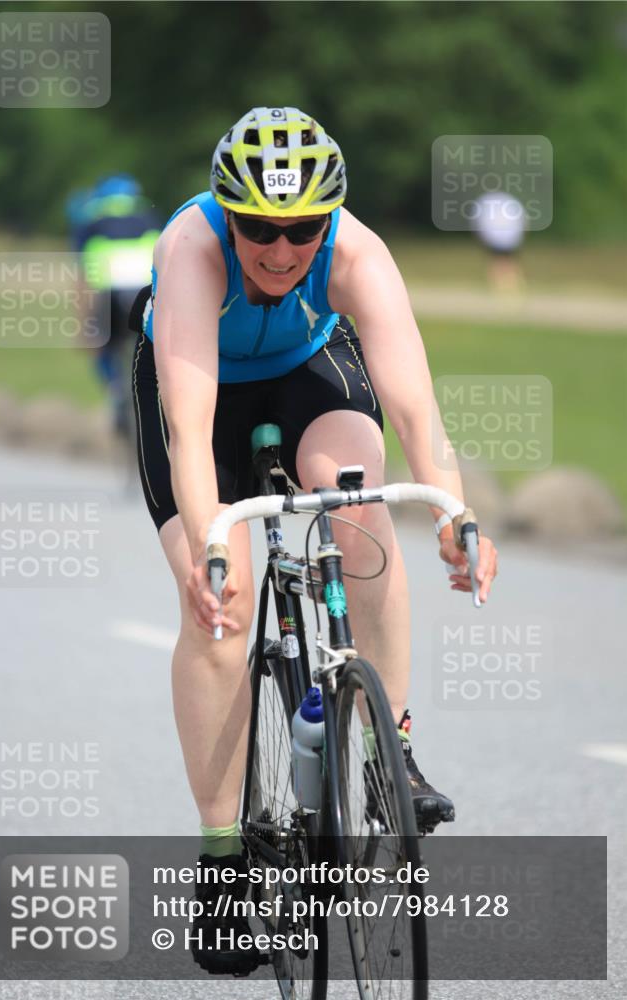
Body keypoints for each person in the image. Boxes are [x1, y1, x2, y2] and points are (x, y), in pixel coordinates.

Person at [131, 106, 498, 974]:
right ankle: (222, 867)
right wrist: (214, 549)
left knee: (362, 513)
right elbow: (189, 428)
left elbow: (416, 409)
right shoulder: (191, 250)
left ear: (329, 219)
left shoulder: (359, 252)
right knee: (218, 617)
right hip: (201, 391)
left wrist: (457, 513)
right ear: (229, 214)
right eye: (260, 227)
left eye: (303, 229)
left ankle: (390, 751)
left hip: (306, 367)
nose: (283, 249)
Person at [71, 174, 161, 438]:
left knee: (102, 346)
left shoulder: (90, 222)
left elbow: (83, 279)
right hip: (145, 294)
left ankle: (114, 389)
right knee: (153, 347)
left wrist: (85, 326)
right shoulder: (150, 218)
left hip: (110, 294)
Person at [472, 190, 526, 293]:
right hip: (511, 236)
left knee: (497, 261)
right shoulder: (507, 201)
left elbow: (479, 221)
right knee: (509, 261)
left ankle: (499, 287)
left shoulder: (487, 202)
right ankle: (514, 286)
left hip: (496, 236)